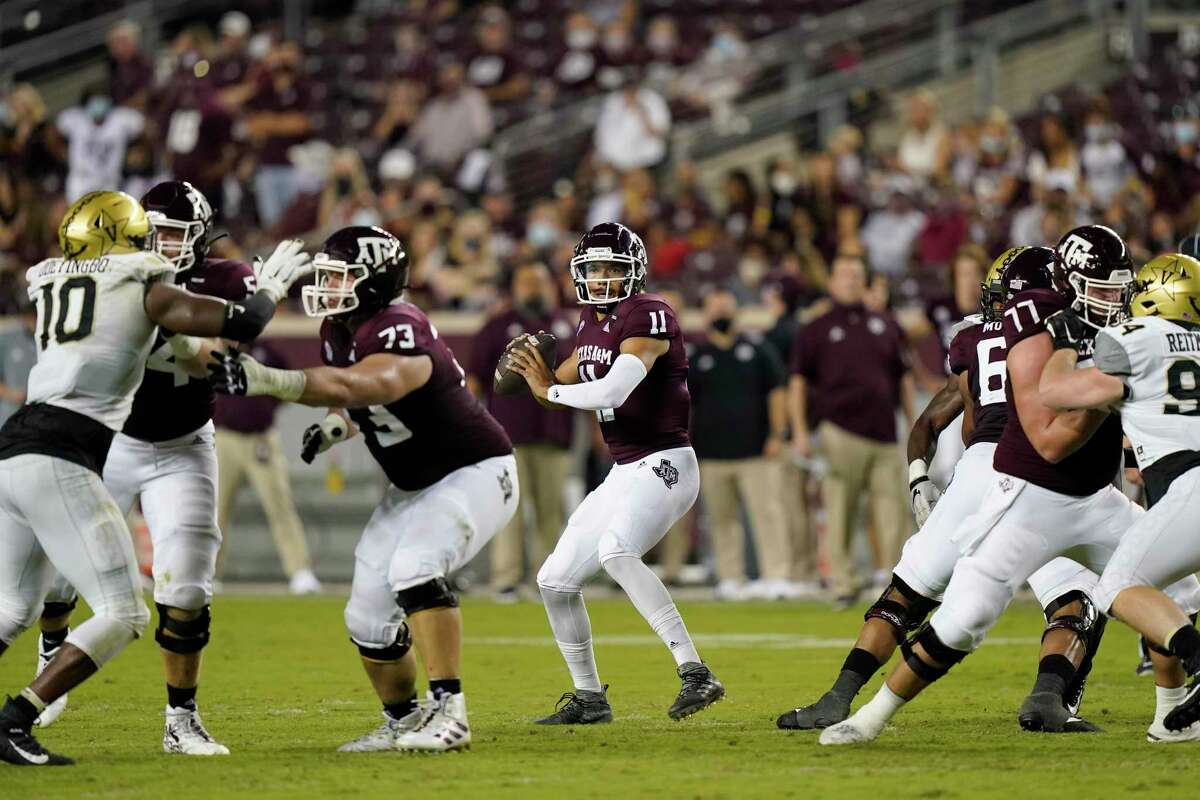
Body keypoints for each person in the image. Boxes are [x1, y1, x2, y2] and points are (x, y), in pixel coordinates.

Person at [819, 226, 1200, 746]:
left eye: (1120, 288)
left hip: (1095, 498)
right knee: (963, 616)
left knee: (1178, 589)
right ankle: (871, 716)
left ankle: (1171, 717)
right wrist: (1113, 390)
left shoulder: (1122, 328)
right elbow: (1048, 442)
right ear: (1068, 281)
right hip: (1031, 496)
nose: (1115, 301)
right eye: (1102, 288)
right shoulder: (1034, 321)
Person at [0, 189, 308, 766]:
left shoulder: (71, 276)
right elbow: (215, 331)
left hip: (177, 443)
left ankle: (180, 718)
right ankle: (46, 668)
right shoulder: (138, 281)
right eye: (153, 231)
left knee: (185, 587)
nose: (161, 243)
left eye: (174, 232)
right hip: (104, 443)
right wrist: (268, 295)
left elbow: (216, 348)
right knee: (87, 595)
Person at [208, 225, 517, 754]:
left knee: (415, 567)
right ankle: (403, 719)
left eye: (340, 274)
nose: (328, 285)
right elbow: (360, 402)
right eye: (325, 274)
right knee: (367, 617)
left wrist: (265, 379)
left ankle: (451, 712)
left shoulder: (401, 324)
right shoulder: (338, 328)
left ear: (375, 280)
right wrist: (337, 425)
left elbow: (374, 384)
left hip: (473, 470)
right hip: (413, 483)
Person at [777, 247, 1107, 733]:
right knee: (1071, 598)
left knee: (905, 593)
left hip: (979, 468)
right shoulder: (1068, 332)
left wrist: (918, 478)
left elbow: (947, 421)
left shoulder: (973, 338)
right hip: (1038, 469)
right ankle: (1047, 696)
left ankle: (838, 697)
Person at [507, 222, 724, 724]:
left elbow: (611, 392)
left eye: (612, 269)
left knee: (615, 551)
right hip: (626, 469)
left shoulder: (650, 313)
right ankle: (589, 698)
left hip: (668, 461)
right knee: (555, 580)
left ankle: (696, 671)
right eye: (594, 269)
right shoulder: (588, 322)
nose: (602, 279)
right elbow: (563, 377)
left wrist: (546, 391)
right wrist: (527, 370)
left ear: (634, 272)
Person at [1038, 253, 1200, 740]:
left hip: (1190, 484)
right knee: (1169, 593)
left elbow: (1055, 391)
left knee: (1117, 587)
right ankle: (1174, 725)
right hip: (1183, 483)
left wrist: (1065, 344)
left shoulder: (1140, 336)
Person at [790, 252, 915, 605]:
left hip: (885, 433)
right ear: (831, 282)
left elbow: (902, 378)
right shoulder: (815, 329)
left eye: (857, 274)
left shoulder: (887, 324)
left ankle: (893, 585)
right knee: (840, 510)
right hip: (839, 432)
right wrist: (800, 430)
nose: (851, 280)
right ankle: (844, 584)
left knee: (893, 511)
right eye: (844, 274)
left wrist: (912, 423)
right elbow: (798, 382)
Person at [467, 262, 575, 600]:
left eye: (539, 281)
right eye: (526, 281)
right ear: (514, 287)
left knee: (551, 511)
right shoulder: (497, 326)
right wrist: (472, 427)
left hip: (555, 433)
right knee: (510, 509)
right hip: (508, 436)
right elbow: (473, 381)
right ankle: (507, 579)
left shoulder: (565, 326)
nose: (533, 288)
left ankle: (548, 579)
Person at [687, 287, 792, 599]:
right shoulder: (696, 357)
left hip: (756, 451)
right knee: (721, 519)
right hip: (711, 453)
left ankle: (777, 575)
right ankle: (730, 577)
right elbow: (685, 404)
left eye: (725, 308)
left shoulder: (758, 350)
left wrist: (776, 434)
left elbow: (777, 392)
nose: (720, 314)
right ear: (705, 316)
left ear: (736, 313)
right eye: (715, 309)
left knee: (767, 515)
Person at [213, 342, 322, 596]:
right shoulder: (216, 350)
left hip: (261, 438)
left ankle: (299, 572)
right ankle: (208, 573)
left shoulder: (268, 352)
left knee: (280, 506)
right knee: (215, 511)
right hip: (224, 438)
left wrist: (263, 409)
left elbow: (285, 386)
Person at [57, 84, 145, 202]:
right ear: (87, 102)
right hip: (81, 181)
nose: (99, 105)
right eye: (95, 100)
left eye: (102, 100)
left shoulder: (121, 119)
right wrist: (62, 154)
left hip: (109, 182)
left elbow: (144, 128)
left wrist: (136, 151)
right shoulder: (76, 119)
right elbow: (52, 132)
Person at [593, 78, 671, 173]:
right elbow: (602, 131)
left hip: (646, 159)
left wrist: (641, 113)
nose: (629, 97)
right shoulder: (614, 101)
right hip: (614, 158)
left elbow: (661, 132)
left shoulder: (652, 100)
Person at [0, 303, 36, 428]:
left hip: (36, 418)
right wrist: (10, 394)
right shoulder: (8, 338)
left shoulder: (48, 342)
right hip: (9, 416)